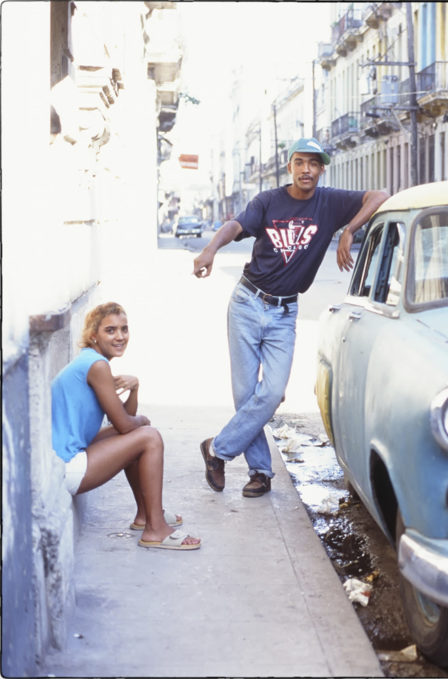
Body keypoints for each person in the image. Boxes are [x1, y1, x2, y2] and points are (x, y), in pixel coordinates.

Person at [192, 137, 389, 497]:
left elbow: (380, 196)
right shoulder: (268, 201)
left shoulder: (330, 202)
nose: (306, 170)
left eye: (313, 164)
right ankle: (261, 472)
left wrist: (349, 229)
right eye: (300, 163)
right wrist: (210, 250)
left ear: (321, 169)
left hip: (285, 311)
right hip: (247, 303)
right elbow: (235, 227)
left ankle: (217, 450)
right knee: (246, 394)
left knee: (272, 393)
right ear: (290, 167)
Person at [51, 302, 200, 550]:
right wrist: (141, 421)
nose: (120, 336)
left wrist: (135, 388)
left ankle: (146, 515)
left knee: (140, 435)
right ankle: (156, 529)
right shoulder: (98, 367)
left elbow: (123, 425)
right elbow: (125, 423)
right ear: (93, 335)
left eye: (124, 329)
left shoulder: (92, 362)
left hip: (65, 459)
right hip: (66, 467)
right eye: (110, 330)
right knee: (149, 436)